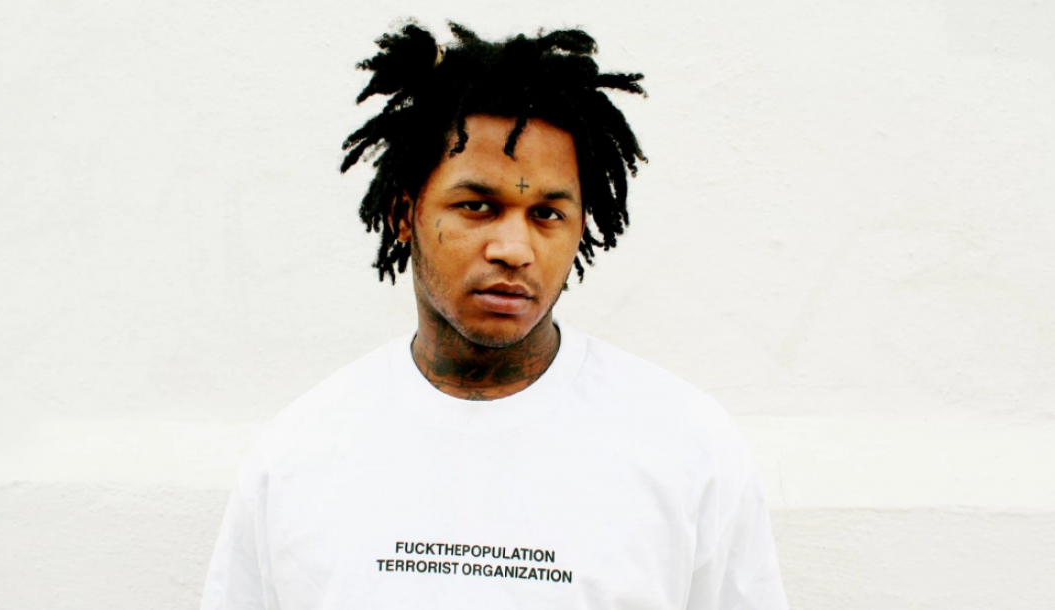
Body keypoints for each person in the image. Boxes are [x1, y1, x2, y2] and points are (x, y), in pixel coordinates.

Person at [200, 21, 788, 610]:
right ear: (404, 214)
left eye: (547, 214)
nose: (514, 249)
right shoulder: (299, 455)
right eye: (478, 206)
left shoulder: (688, 449)